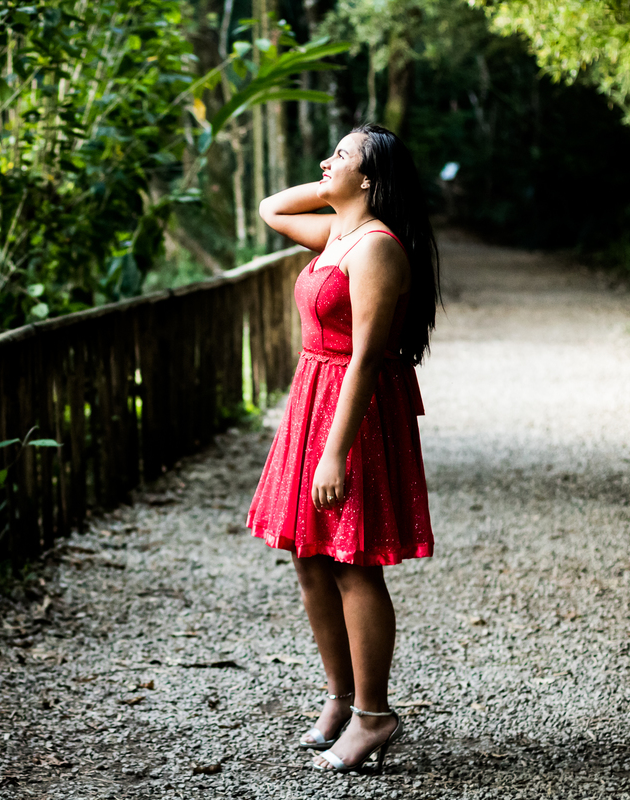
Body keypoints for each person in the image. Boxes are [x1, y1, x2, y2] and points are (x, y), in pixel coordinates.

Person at [244, 124, 439, 773]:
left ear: (374, 178)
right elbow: (272, 208)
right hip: (312, 398)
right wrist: (338, 188)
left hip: (350, 410)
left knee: (353, 564)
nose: (326, 160)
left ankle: (374, 716)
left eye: (342, 155)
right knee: (309, 557)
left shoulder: (377, 249)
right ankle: (340, 698)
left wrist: (335, 452)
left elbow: (363, 358)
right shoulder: (339, 235)